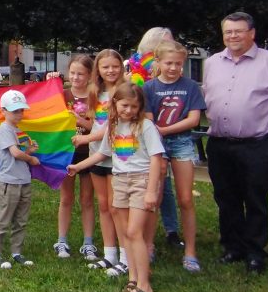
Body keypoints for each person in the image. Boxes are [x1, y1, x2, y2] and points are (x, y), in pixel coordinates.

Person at [202, 12, 268, 274]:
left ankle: (255, 252)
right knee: (226, 197)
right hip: (220, 143)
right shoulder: (212, 62)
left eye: (238, 31)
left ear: (252, 33)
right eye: (228, 32)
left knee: (256, 198)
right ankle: (233, 247)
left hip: (256, 145)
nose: (233, 36)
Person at [69, 82, 164, 292]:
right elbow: (102, 154)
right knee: (125, 234)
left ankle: (145, 284)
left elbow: (156, 158)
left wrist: (151, 191)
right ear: (115, 104)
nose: (129, 110)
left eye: (133, 106)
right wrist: (78, 166)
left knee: (133, 232)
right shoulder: (112, 126)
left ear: (139, 107)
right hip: (119, 181)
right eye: (124, 105)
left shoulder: (145, 126)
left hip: (141, 180)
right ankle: (133, 277)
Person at [144, 40, 206, 272]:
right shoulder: (149, 88)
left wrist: (166, 130)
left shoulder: (190, 86)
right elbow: (148, 118)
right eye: (168, 63)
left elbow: (193, 119)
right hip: (156, 146)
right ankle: (148, 245)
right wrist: (158, 134)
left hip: (181, 143)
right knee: (154, 197)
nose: (173, 68)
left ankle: (190, 251)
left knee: (186, 198)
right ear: (158, 62)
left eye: (178, 64)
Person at [74, 49, 127, 276]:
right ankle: (109, 254)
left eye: (115, 66)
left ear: (121, 67)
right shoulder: (96, 92)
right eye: (105, 67)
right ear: (99, 70)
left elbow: (113, 126)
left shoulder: (126, 91)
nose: (110, 70)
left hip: (118, 156)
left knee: (118, 207)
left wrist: (86, 138)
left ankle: (126, 257)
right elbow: (95, 122)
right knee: (104, 205)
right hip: (97, 155)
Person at [134, 26, 184, 248]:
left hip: (170, 131)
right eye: (168, 40)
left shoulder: (173, 69)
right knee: (149, 183)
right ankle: (144, 232)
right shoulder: (135, 68)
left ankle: (171, 229)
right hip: (144, 132)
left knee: (166, 185)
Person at [51, 55, 98, 261]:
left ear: (89, 75)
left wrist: (78, 119)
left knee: (87, 199)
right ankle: (62, 240)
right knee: (66, 198)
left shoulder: (95, 97)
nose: (76, 77)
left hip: (88, 152)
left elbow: (97, 127)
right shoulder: (62, 94)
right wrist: (50, 82)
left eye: (81, 74)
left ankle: (88, 242)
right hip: (66, 152)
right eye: (72, 73)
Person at [0, 90, 41, 269]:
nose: (19, 114)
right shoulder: (4, 129)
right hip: (9, 181)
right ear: (3, 111)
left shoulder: (18, 131)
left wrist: (29, 151)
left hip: (23, 180)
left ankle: (16, 252)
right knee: (3, 218)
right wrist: (31, 159)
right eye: (14, 110)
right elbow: (15, 153)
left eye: (21, 110)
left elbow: (20, 152)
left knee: (21, 219)